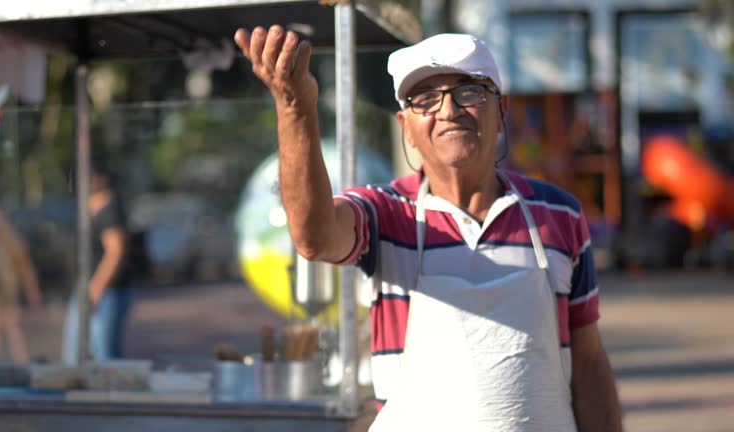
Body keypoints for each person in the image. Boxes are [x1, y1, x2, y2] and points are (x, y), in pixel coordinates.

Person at [234, 27, 623, 431]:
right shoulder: (387, 215)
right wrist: (296, 109)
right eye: (425, 99)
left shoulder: (557, 214)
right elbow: (314, 238)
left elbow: (589, 360)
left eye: (469, 91)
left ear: (501, 109)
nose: (448, 110)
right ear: (406, 126)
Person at [63, 162, 135, 363]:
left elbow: (116, 251)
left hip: (104, 291)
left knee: (102, 356)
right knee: (86, 352)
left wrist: (95, 289)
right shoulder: (95, 208)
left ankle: (109, 394)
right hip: (96, 289)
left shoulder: (108, 210)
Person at [0, 208, 42, 363]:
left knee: (11, 325)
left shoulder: (14, 241)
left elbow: (25, 268)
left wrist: (33, 291)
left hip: (8, 289)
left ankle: (21, 358)